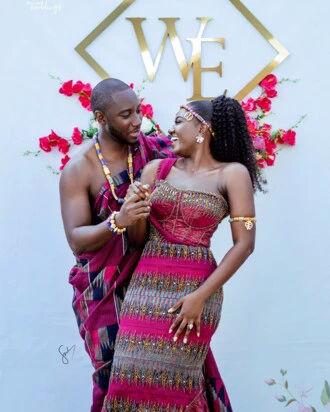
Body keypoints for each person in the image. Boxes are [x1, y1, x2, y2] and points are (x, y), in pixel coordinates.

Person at [102, 95, 265, 411]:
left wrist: (200, 297)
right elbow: (138, 240)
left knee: (175, 383)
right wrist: (131, 208)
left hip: (195, 293)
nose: (171, 130)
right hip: (145, 287)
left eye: (179, 121)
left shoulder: (231, 174)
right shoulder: (154, 171)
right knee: (129, 377)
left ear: (201, 128)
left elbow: (245, 244)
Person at [59, 78, 174, 411]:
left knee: (165, 382)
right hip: (104, 292)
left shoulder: (155, 150)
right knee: (117, 383)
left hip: (157, 285)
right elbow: (76, 240)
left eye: (138, 111)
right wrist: (117, 221)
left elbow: (201, 148)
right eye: (126, 114)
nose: (137, 120)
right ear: (100, 118)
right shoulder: (79, 170)